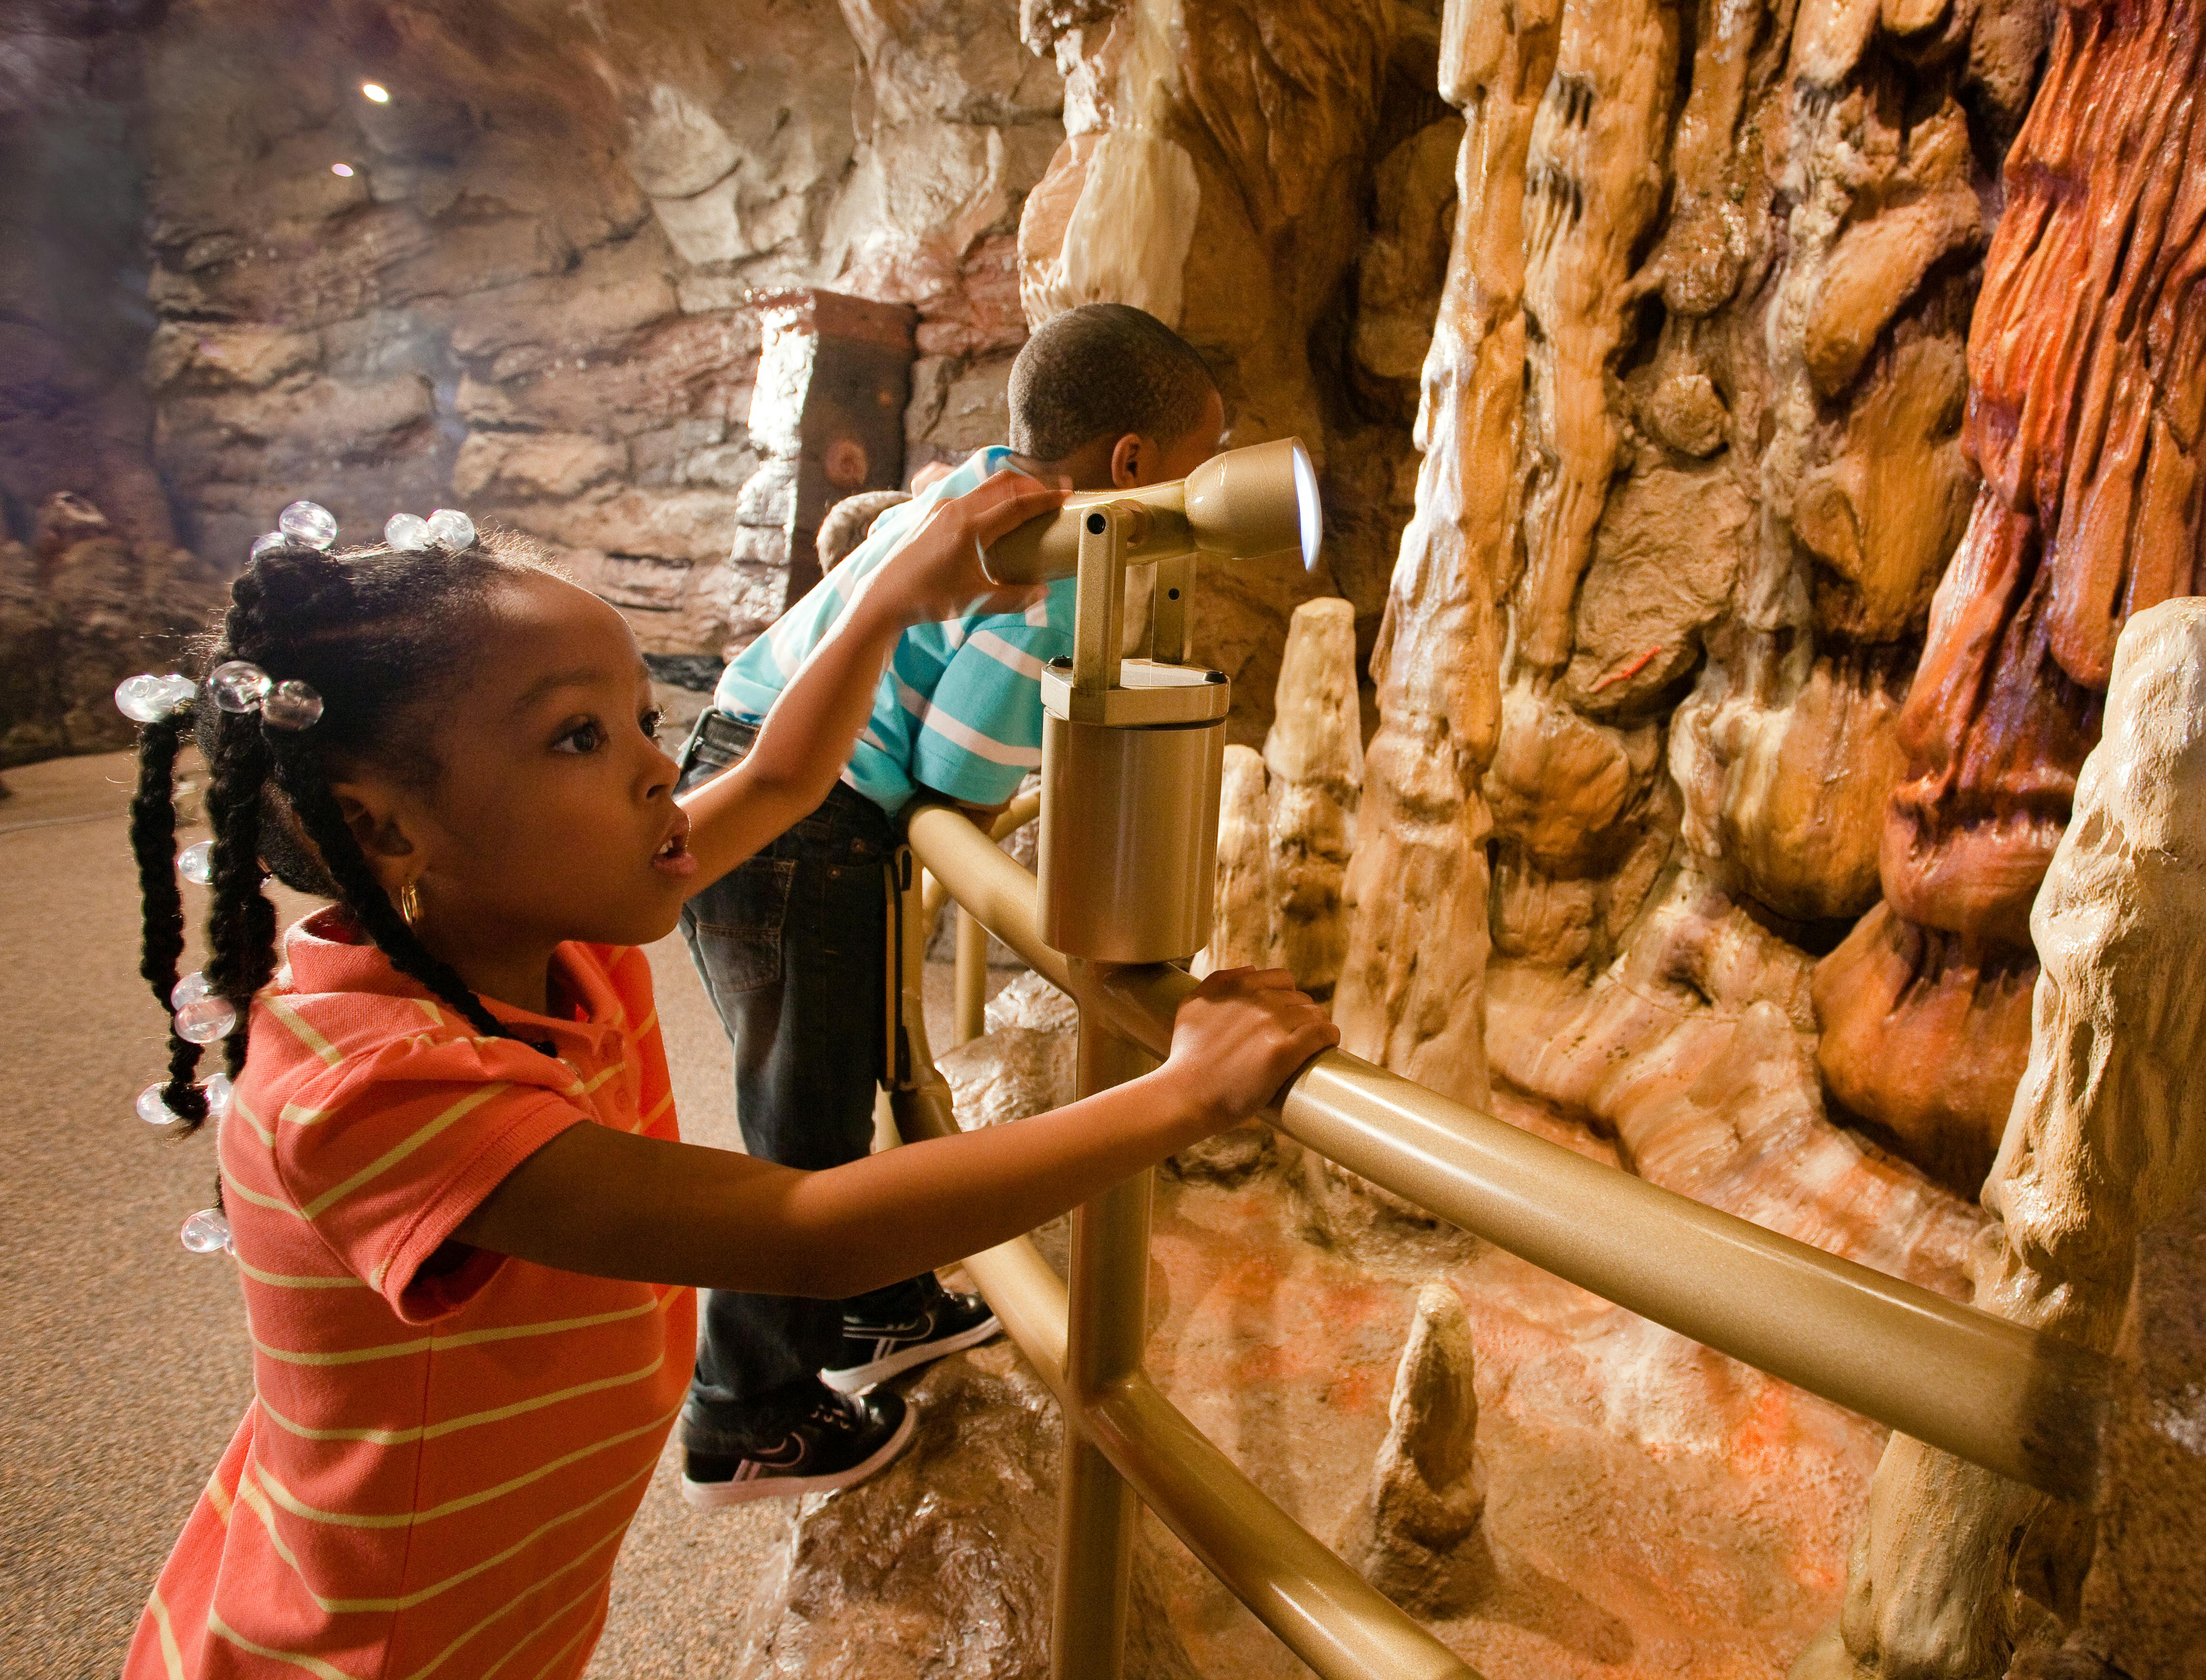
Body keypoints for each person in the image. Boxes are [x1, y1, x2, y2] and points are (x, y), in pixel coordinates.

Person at [119, 492, 1335, 1678]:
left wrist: (885, 601)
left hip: (500, 1597)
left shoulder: (553, 934)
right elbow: (803, 1232)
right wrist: (1182, 1096)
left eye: (645, 718)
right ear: (384, 830)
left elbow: (777, 786)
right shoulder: (374, 1092)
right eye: (579, 738)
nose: (659, 770)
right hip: (371, 1642)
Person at [670, 303, 1226, 1496]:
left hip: (760, 773)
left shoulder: (978, 487)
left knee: (843, 1066)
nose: (1209, 491)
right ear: (1132, 469)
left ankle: (866, 1308)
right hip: (798, 828)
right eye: (1200, 467)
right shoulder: (1050, 567)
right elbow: (959, 767)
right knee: (801, 1127)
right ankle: (743, 1413)